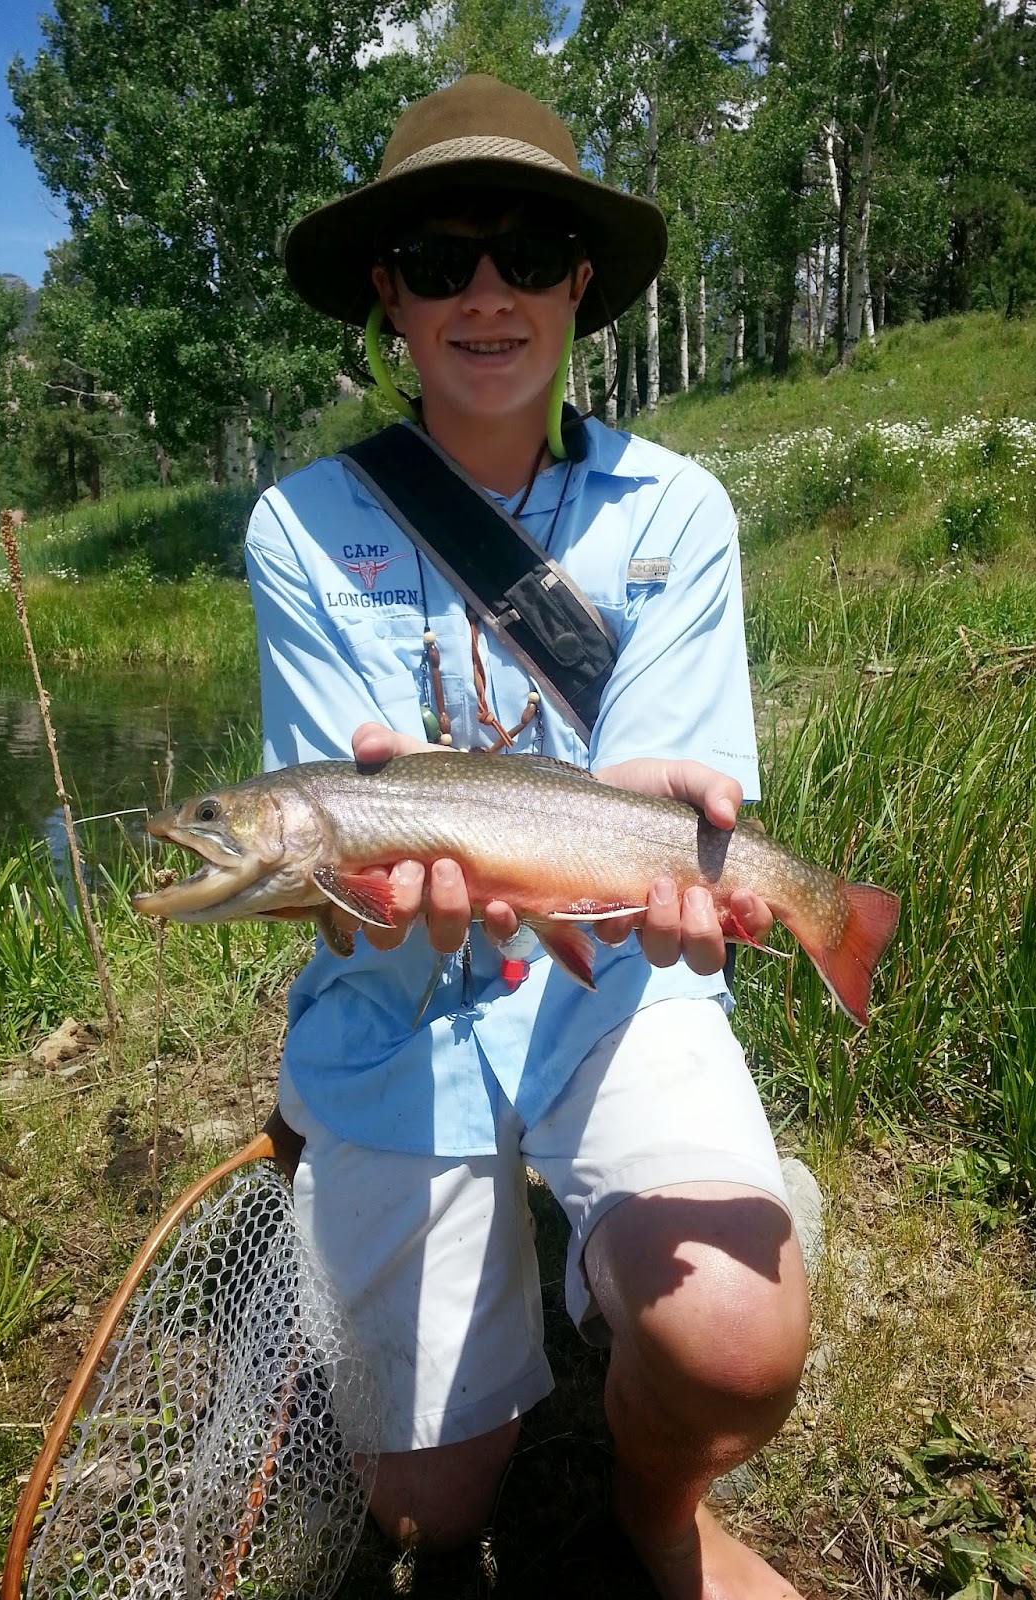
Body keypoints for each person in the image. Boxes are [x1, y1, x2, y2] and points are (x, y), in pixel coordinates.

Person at [247, 73, 811, 1600]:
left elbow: (647, 796)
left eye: (522, 255)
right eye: (438, 261)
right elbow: (346, 885)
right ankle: (388, 1170)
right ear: (388, 294)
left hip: (607, 980)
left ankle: (654, 1508)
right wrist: (366, 896)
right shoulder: (300, 528)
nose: (482, 293)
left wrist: (685, 878)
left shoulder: (677, 513)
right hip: (395, 1011)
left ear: (578, 282)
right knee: (430, 1516)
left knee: (737, 1350)